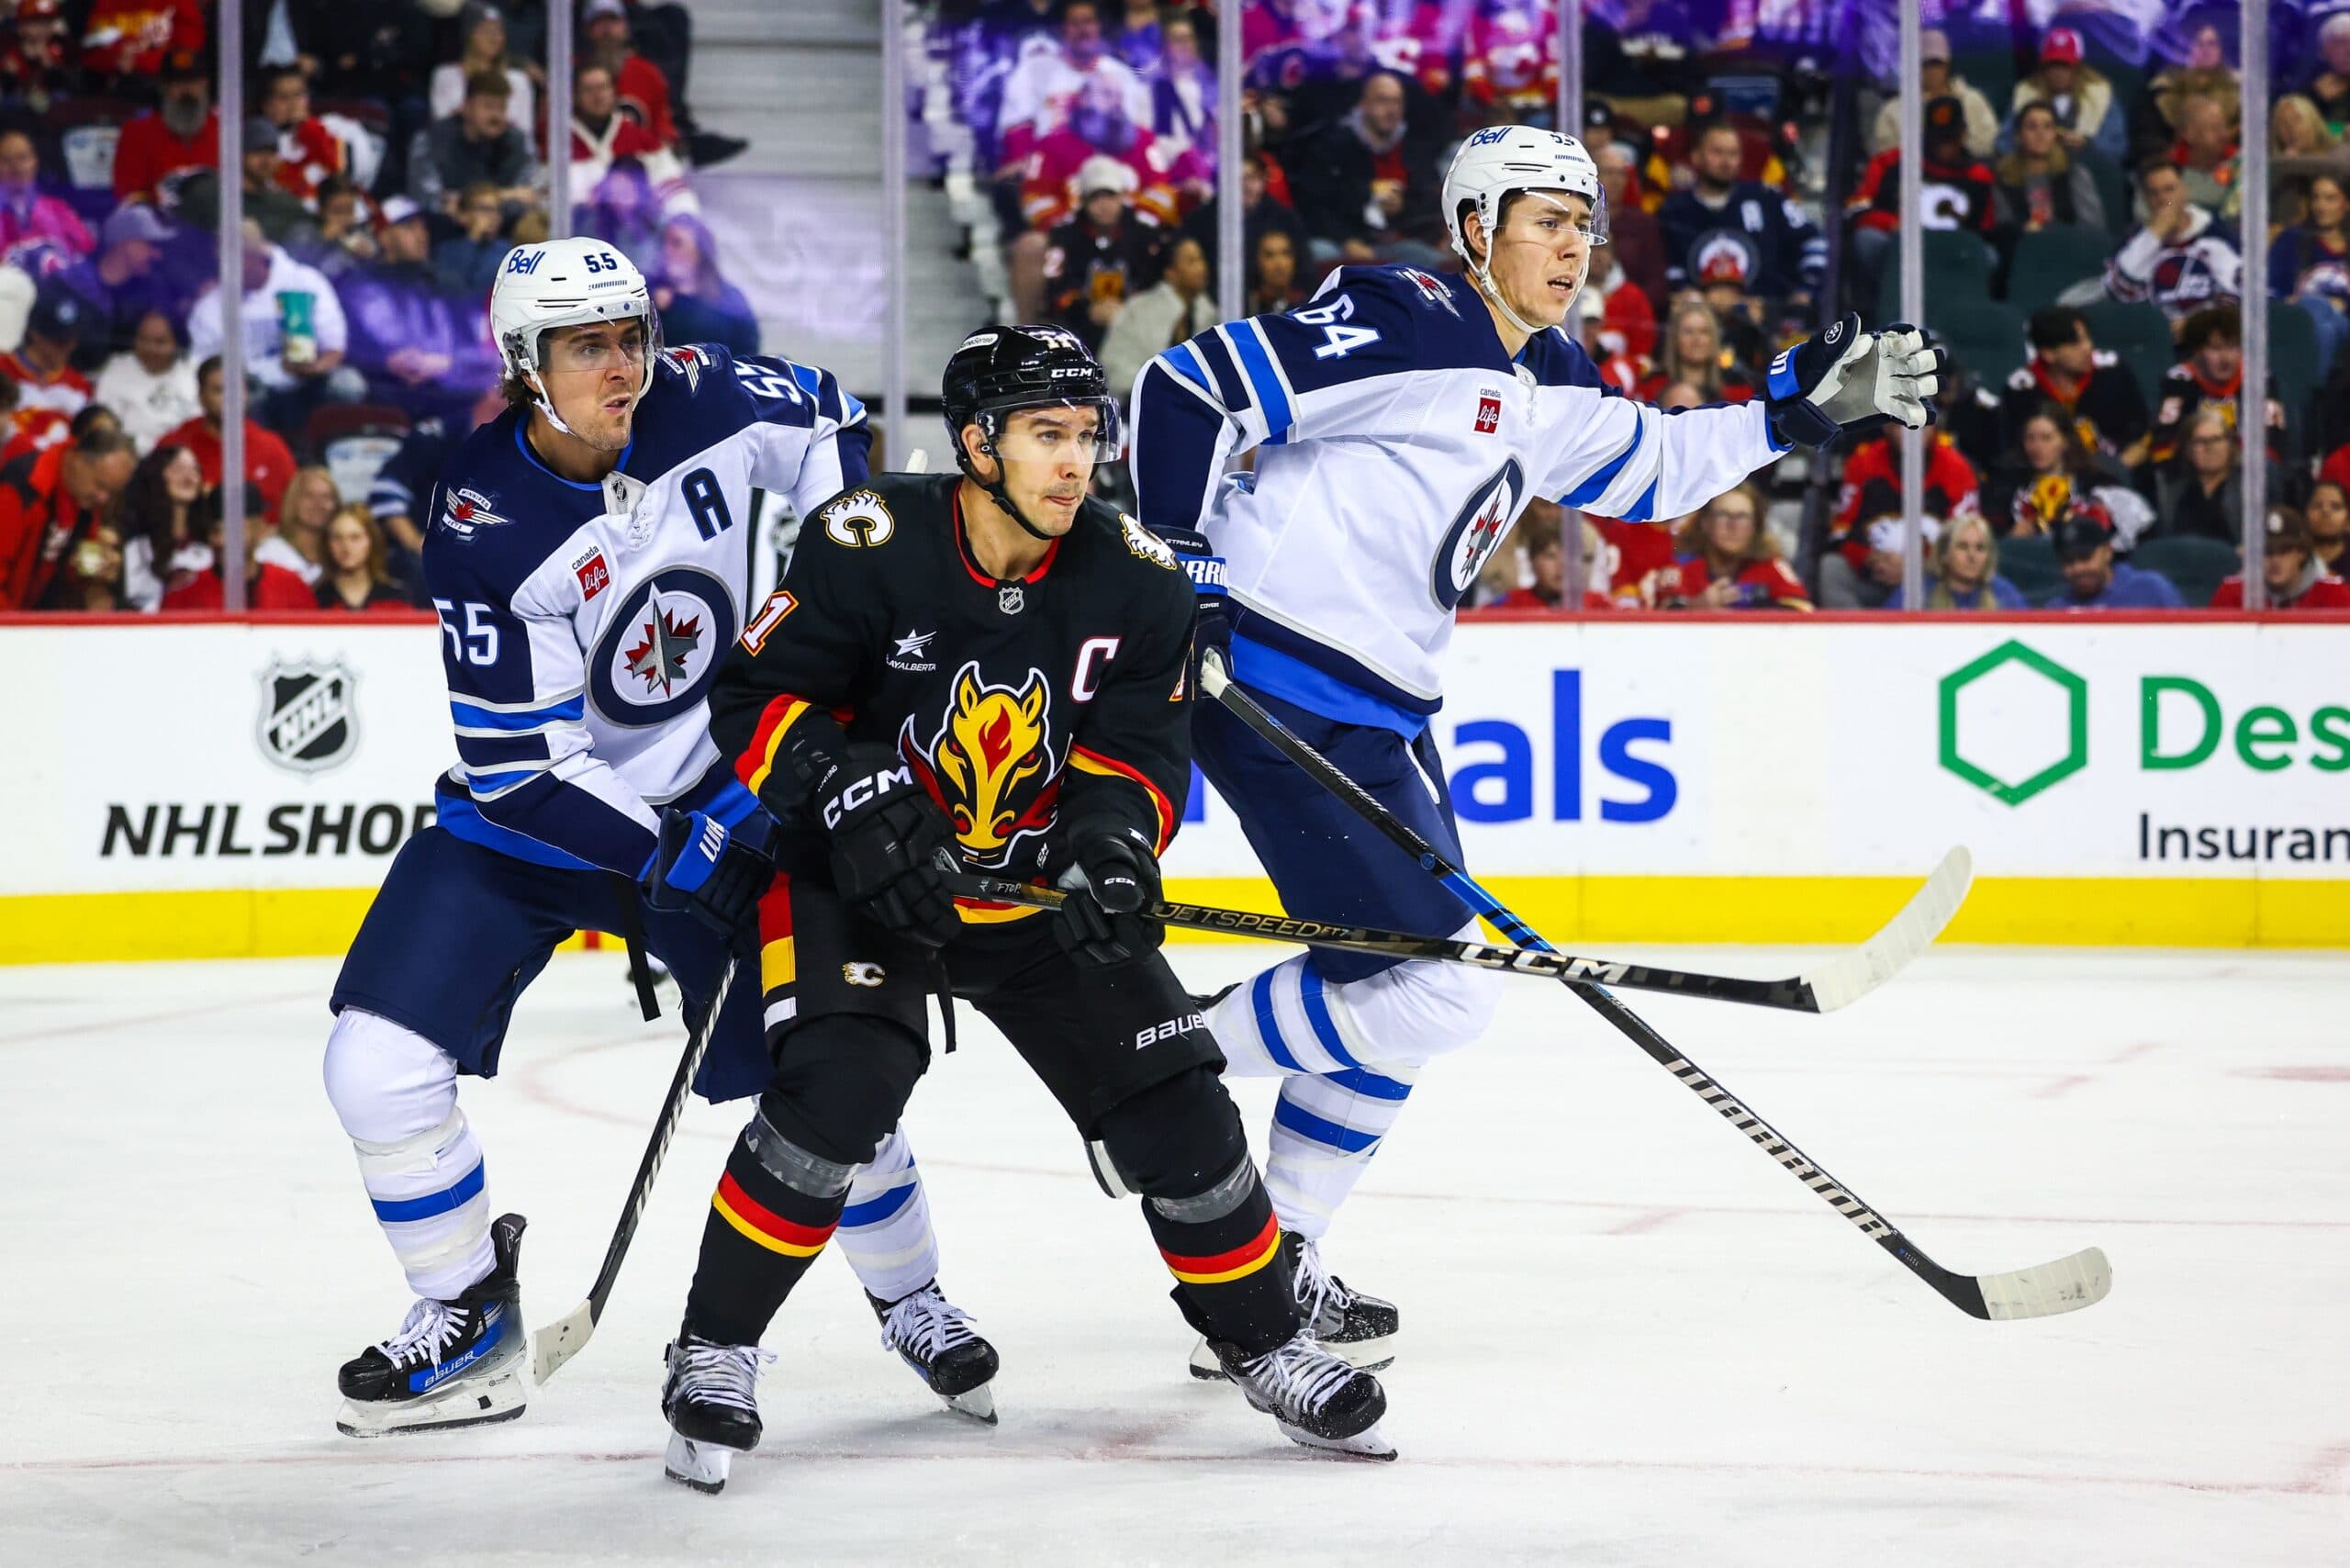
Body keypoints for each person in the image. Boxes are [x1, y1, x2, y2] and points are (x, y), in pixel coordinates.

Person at [1126, 126, 1941, 1368]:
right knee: (1437, 986)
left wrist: (1789, 410)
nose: (1574, 244)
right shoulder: (1405, 314)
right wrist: (1184, 572)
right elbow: (1185, 390)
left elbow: (1656, 464)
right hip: (1273, 676)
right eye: (1544, 219)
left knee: (1398, 1005)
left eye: (1584, 222)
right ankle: (1159, 1079)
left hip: (1380, 706)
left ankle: (1273, 1263)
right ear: (1472, 230)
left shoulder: (1550, 371)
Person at [656, 324, 1394, 1493]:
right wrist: (845, 791)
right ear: (975, 444)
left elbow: (1137, 757)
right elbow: (755, 694)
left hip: (1033, 890)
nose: (1074, 461)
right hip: (866, 884)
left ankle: (1263, 1341)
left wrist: (1111, 852)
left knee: (1182, 1112)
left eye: (1086, 434)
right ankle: (715, 1348)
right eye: (1046, 435)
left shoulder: (1138, 577)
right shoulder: (869, 542)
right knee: (838, 1095)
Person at [321, 238, 988, 1441]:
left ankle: (915, 1297)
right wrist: (690, 859)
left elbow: (830, 414)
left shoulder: (710, 394)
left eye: (629, 335)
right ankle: (464, 1309)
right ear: (527, 364)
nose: (621, 366)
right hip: (535, 830)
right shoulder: (486, 520)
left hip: (726, 790)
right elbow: (523, 773)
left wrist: (845, 562)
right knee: (371, 1066)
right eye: (587, 347)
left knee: (828, 1079)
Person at [336, 197, 501, 427]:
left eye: (422, 227)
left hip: (452, 398)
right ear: (383, 236)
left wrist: (445, 364)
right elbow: (342, 347)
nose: (422, 235)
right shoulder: (358, 287)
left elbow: (482, 352)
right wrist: (385, 363)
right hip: (384, 397)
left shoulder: (446, 284)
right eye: (409, 227)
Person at [186, 220, 349, 432]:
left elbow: (334, 346)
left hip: (306, 382)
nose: (230, 269)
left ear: (257, 256)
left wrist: (312, 368)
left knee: (347, 384)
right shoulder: (210, 306)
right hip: (250, 391)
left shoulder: (303, 281)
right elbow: (202, 367)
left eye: (238, 261)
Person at [1287, 72, 1446, 269]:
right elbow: (1312, 206)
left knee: (1434, 260)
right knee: (1319, 252)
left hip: (1398, 243)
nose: (1391, 110)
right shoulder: (1331, 147)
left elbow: (1430, 204)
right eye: (1383, 101)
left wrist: (1401, 206)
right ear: (1363, 104)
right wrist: (1347, 239)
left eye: (1397, 102)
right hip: (1340, 240)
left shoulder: (1414, 150)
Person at [1657, 122, 1822, 308]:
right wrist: (1686, 294)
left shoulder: (1767, 198)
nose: (1726, 161)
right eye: (1717, 153)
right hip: (1697, 318)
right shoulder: (1674, 209)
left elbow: (1814, 242)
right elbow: (1665, 265)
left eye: (1733, 154)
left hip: (1769, 317)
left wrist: (1807, 290)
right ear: (1696, 157)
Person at [1821, 426, 1982, 608]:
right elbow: (1841, 533)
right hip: (1874, 577)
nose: (1911, 430)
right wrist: (1870, 559)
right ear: (1886, 425)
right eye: (1901, 423)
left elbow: (1966, 540)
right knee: (1831, 566)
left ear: (1934, 426)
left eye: (1922, 423)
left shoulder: (1957, 468)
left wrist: (1916, 566)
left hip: (1933, 584)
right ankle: (1853, 635)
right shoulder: (1863, 463)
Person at [0, 424, 138, 610]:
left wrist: (98, 578)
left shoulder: (86, 503)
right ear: (76, 460)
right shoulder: (20, 490)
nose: (103, 498)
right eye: (100, 485)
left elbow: (82, 575)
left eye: (111, 492)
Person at [1998, 306, 2151, 469]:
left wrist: (2120, 469)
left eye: (2087, 339)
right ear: (2049, 354)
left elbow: (2142, 430)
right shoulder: (2021, 391)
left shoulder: (2113, 372)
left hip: (2116, 471)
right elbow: (2013, 452)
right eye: (2075, 343)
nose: (2088, 348)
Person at [2105, 161, 2242, 331]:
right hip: (2154, 336)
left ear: (2184, 191)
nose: (2163, 200)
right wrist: (2153, 235)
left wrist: (2194, 325)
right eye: (2153, 193)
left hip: (2209, 335)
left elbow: (2236, 295)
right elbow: (2116, 291)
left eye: (2169, 189)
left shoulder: (2218, 235)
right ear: (2145, 199)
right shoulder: (2133, 241)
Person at [1042, 158, 1162, 352]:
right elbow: (1056, 288)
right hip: (1080, 327)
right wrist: (1088, 309)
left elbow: (1155, 284)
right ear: (1083, 201)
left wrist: (1127, 310)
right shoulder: (1064, 236)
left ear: (1122, 196)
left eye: (1110, 196)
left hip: (1137, 324)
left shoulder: (1146, 235)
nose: (1103, 205)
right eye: (1095, 198)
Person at [156, 354, 300, 513]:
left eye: (237, 390)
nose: (230, 399)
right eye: (220, 390)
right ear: (201, 397)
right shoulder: (175, 444)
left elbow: (291, 508)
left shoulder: (271, 447)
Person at [2148, 304, 2287, 467]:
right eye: (2215, 348)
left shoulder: (2258, 379)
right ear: (2197, 350)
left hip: (2247, 471)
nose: (2226, 359)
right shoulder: (2179, 381)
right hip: (2192, 472)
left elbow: (2273, 441)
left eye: (2233, 347)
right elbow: (2164, 444)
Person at [409, 70, 543, 221]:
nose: (496, 116)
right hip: (446, 230)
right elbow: (427, 198)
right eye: (488, 107)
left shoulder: (518, 142)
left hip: (504, 229)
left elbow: (530, 196)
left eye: (501, 108)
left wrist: (467, 203)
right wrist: (506, 195)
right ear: (466, 107)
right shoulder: (433, 139)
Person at [1654, 486, 1811, 610]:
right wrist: (1695, 607)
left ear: (1756, 525)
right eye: (1723, 515)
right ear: (1705, 522)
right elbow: (1656, 619)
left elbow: (1803, 610)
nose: (1733, 525)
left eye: (1743, 517)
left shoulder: (1772, 567)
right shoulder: (1680, 568)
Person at [1099, 232, 1215, 395]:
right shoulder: (1139, 309)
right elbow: (1115, 368)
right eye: (1191, 262)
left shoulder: (1207, 311)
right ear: (1171, 273)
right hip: (1139, 401)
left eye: (1201, 260)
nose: (1202, 268)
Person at [570, 60, 689, 216]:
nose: (597, 96)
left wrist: (684, 220)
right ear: (576, 96)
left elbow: (673, 188)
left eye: (603, 87)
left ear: (614, 91)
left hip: (637, 233)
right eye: (589, 89)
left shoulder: (641, 139)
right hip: (577, 233)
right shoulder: (559, 141)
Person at [2268, 172, 2350, 378]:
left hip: (2344, 324)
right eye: (2316, 198)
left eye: (2330, 198)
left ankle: (2311, 397)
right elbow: (2271, 290)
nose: (2321, 206)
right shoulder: (2292, 240)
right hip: (2298, 319)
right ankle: (2316, 397)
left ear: (2346, 204)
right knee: (2321, 320)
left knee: (2326, 324)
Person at [1871, 28, 1998, 158]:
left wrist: (1955, 147)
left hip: (1965, 173)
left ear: (1947, 65)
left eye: (1937, 63)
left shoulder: (1973, 100)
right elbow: (1886, 155)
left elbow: (1989, 142)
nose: (1932, 71)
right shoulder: (1892, 112)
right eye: (1925, 64)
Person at [2006, 27, 2125, 162]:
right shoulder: (2025, 93)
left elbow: (2118, 146)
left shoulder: (2101, 95)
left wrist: (2088, 144)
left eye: (2065, 66)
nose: (2058, 73)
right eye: (2053, 65)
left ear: (2078, 68)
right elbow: (2004, 142)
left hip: (2087, 167)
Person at [111, 50, 216, 205]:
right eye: (178, 82)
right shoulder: (137, 133)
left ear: (205, 84)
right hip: (156, 221)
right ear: (164, 87)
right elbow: (128, 194)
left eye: (194, 82)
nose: (187, 90)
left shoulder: (224, 132)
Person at [650, 215, 758, 360]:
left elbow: (747, 350)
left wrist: (676, 305)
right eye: (664, 242)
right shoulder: (647, 292)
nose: (666, 250)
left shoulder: (728, 298)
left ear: (700, 251)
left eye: (676, 243)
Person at [94, 308, 199, 455]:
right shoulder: (116, 371)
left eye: (160, 342)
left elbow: (198, 430)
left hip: (181, 459)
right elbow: (105, 428)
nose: (150, 349)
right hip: (128, 459)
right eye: (144, 340)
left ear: (177, 343)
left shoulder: (193, 374)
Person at [431, 4, 536, 147]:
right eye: (486, 31)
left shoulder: (518, 80)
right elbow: (442, 128)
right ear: (469, 34)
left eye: (498, 32)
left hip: (505, 156)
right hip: (458, 156)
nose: (494, 38)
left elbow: (525, 134)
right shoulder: (447, 76)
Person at [115, 442, 203, 611]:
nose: (189, 478)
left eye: (195, 470)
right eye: (178, 469)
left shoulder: (207, 540)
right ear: (156, 475)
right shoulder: (136, 543)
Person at [2210, 506, 2350, 610]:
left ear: (2301, 553)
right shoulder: (2232, 591)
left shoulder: (2333, 593)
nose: (2275, 560)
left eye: (2284, 551)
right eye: (2267, 552)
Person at [1994, 102, 2105, 233]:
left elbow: (2093, 229)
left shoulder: (2074, 175)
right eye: (2032, 127)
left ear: (2055, 134)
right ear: (2018, 137)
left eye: (2047, 127)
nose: (2040, 134)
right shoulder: (2004, 180)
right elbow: (2004, 230)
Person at [2050, 504, 2183, 609]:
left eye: (2086, 558)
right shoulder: (2058, 608)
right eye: (2068, 562)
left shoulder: (2151, 588)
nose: (2078, 568)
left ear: (2108, 552)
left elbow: (2188, 636)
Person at [1886, 514, 2026, 610]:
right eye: (1962, 547)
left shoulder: (2004, 594)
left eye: (1980, 548)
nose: (1972, 556)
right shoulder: (1917, 593)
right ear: (1944, 554)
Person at [0, 129, 90, 260]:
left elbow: (84, 244)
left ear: (34, 162)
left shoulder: (56, 207)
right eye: (6, 160)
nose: (16, 167)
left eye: (22, 158)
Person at [315, 504, 411, 612]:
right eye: (337, 538)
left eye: (355, 538)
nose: (346, 547)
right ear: (327, 544)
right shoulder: (317, 599)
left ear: (372, 541)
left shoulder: (395, 598)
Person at [273, 466, 340, 583]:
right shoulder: (272, 553)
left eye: (326, 497)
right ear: (293, 501)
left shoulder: (341, 553)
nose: (318, 504)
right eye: (309, 496)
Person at [2305, 477, 2349, 577]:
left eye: (2335, 506)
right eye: (2317, 506)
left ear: (2347, 518)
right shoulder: (2294, 558)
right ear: (2306, 514)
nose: (2326, 512)